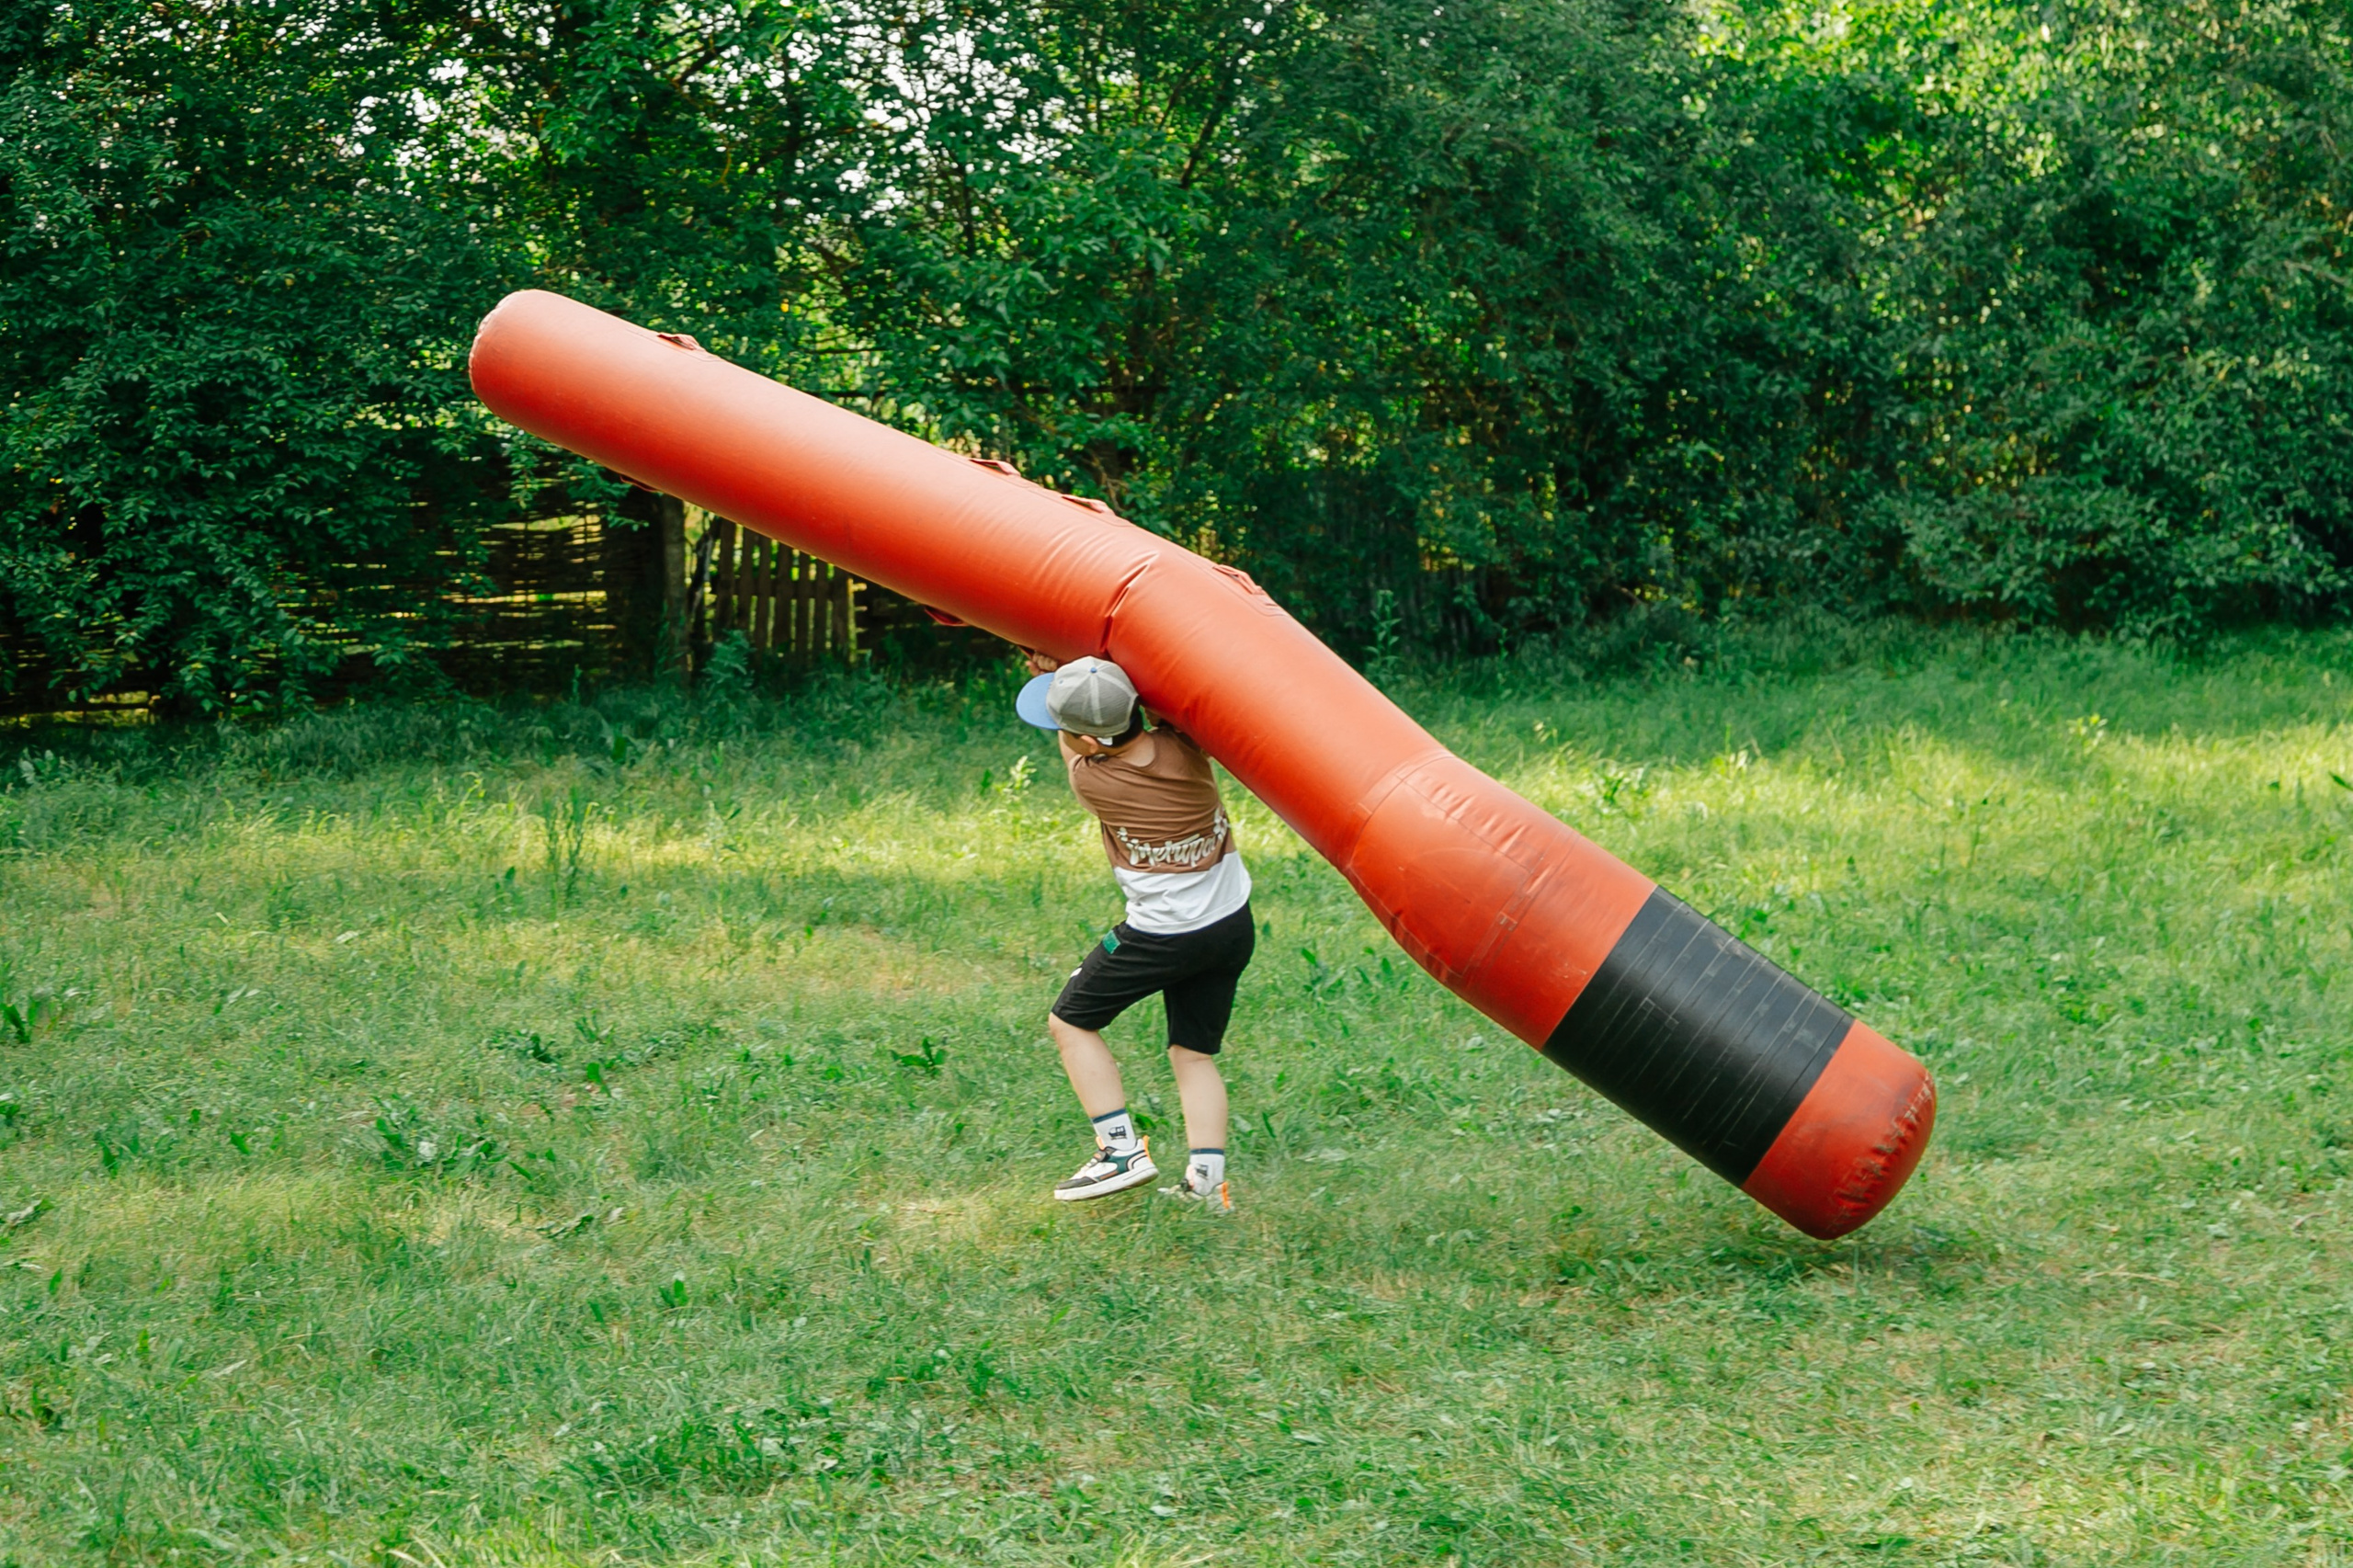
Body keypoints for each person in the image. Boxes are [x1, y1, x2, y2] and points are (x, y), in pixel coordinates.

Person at [1016, 653, 1254, 1211]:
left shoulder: (1094, 779)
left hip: (1160, 937)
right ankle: (1205, 1186)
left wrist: (1049, 679)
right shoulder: (1188, 748)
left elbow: (1075, 744)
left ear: (1088, 742)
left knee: (1070, 1023)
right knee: (1193, 1055)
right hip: (1230, 926)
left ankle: (1118, 1151)